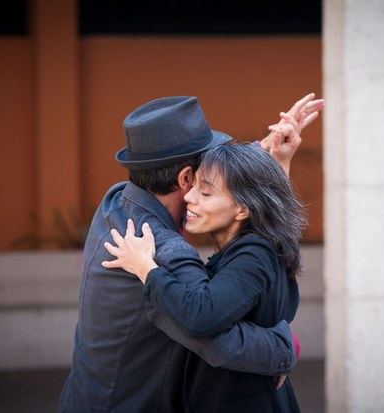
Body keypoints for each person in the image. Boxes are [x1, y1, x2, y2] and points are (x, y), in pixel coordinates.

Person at [58, 94, 323, 412]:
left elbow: (235, 193)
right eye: (203, 177)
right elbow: (214, 337)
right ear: (187, 179)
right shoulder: (161, 251)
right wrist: (285, 347)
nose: (202, 189)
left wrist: (266, 152)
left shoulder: (117, 201)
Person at [103, 140, 306, 412]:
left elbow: (203, 316)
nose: (189, 197)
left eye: (206, 193)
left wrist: (144, 268)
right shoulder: (258, 248)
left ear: (243, 209)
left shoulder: (254, 254)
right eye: (194, 185)